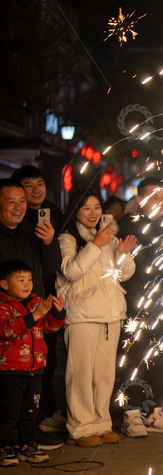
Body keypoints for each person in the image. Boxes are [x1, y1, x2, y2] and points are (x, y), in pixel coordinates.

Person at [56, 189, 137, 447]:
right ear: (75, 211)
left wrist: (122, 253)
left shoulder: (107, 234)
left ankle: (102, 424)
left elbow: (124, 274)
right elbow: (71, 271)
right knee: (80, 374)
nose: (93, 213)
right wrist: (96, 245)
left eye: (96, 207)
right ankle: (80, 428)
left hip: (111, 314)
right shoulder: (68, 238)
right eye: (86, 208)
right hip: (82, 315)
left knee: (104, 375)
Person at [0, 178, 63, 450]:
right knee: (7, 391)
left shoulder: (32, 230)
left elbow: (51, 267)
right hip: (5, 316)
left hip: (34, 313)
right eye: (11, 201)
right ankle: (7, 441)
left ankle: (29, 435)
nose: (18, 206)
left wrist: (49, 242)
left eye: (22, 201)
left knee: (35, 379)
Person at [12, 166, 69, 436]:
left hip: (44, 295)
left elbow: (52, 265)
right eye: (28, 185)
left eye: (40, 183)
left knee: (46, 356)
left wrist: (49, 241)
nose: (36, 190)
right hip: (17, 300)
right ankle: (23, 424)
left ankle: (44, 411)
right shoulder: (17, 225)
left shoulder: (53, 213)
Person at [117, 176, 163, 431]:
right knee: (134, 361)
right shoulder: (126, 226)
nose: (160, 202)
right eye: (154, 196)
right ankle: (131, 413)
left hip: (162, 305)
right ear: (140, 199)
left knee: (159, 359)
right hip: (136, 304)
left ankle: (154, 411)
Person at [0, 260, 65, 466]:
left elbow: (49, 328)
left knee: (30, 413)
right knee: (9, 414)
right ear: (4, 284)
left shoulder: (35, 302)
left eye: (29, 279)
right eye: (21, 280)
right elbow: (7, 330)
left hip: (35, 370)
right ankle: (5, 448)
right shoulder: (3, 306)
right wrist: (35, 314)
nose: (27, 284)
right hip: (10, 372)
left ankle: (28, 446)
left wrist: (57, 313)